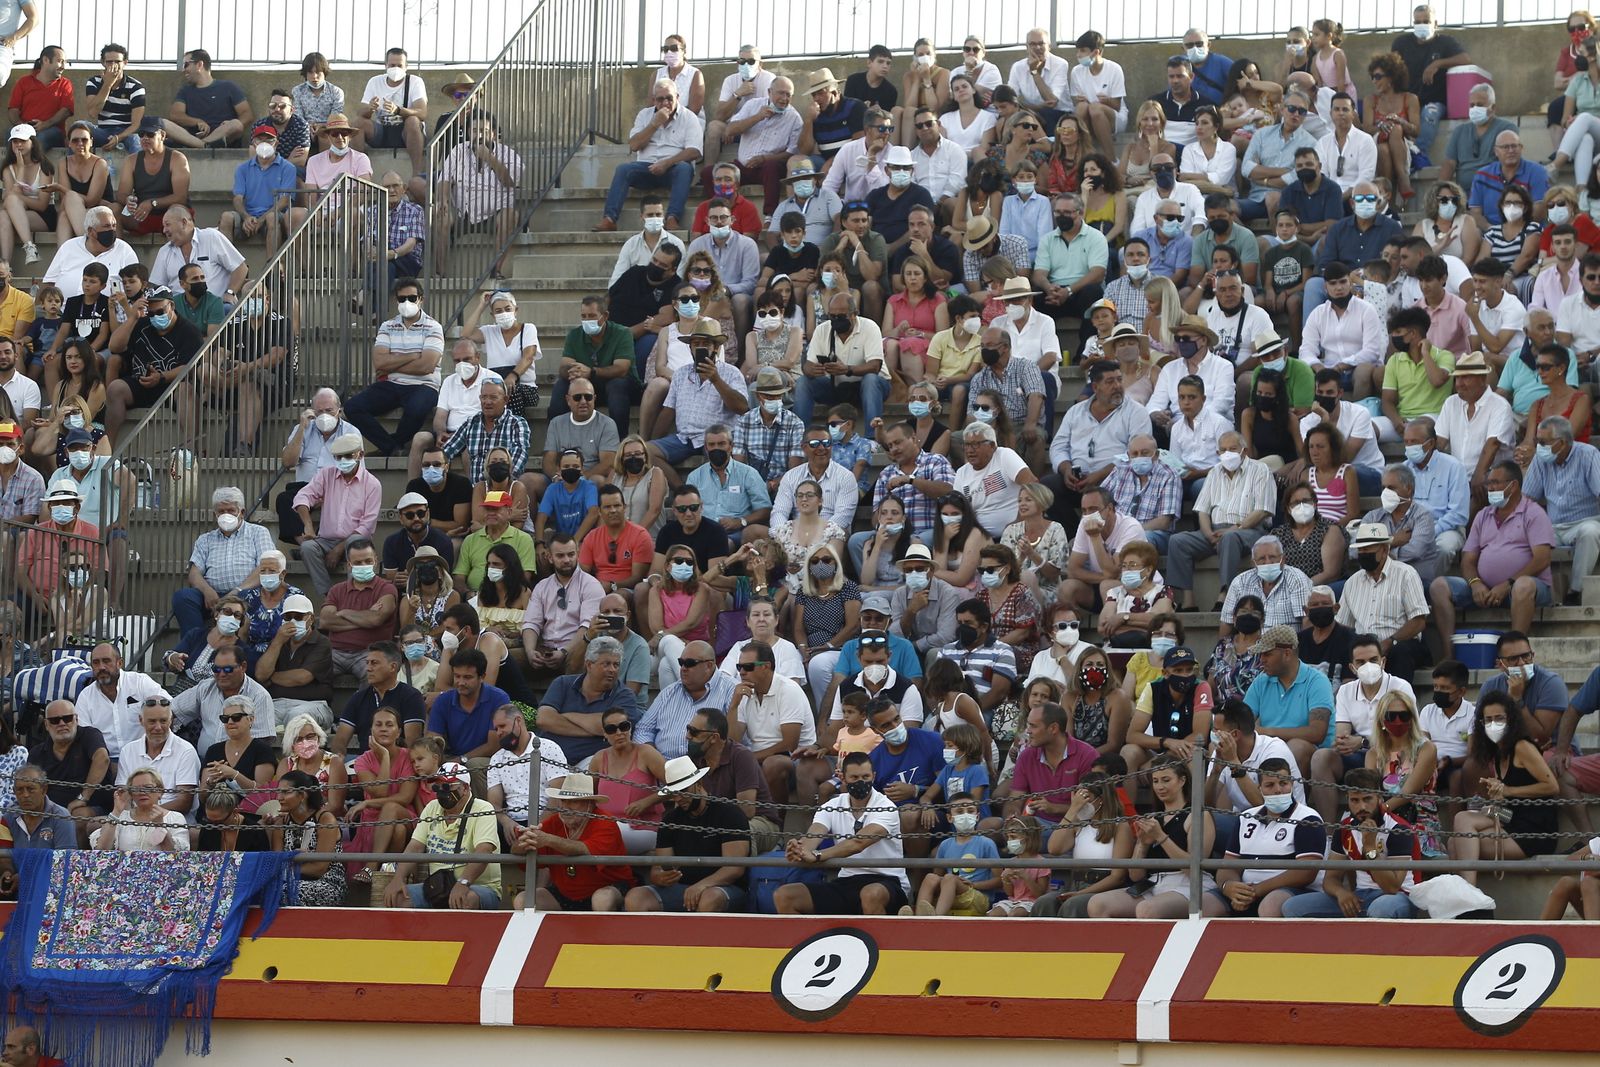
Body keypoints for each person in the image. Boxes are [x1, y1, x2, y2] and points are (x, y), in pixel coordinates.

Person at [1430, 460, 1555, 650]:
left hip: (1525, 589)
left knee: (1523, 586)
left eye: (1496, 482)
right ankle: (1449, 654)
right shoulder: (1483, 515)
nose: (1490, 488)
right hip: (1485, 590)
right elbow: (1468, 559)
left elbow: (1542, 558)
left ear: (1513, 485)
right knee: (1439, 586)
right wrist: (1475, 583)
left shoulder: (1533, 513)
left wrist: (1508, 584)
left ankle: (1515, 651)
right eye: (1489, 483)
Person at [776, 752, 909, 916]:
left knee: (870, 894)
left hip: (887, 881)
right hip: (847, 880)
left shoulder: (886, 806)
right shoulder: (832, 805)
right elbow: (815, 833)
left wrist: (817, 855)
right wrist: (799, 849)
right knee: (784, 896)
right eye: (854, 777)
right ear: (843, 778)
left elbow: (858, 843)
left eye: (866, 776)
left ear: (874, 777)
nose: (861, 782)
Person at [1448, 692, 1561, 884]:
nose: (1493, 724)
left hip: (1534, 829)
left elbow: (1552, 786)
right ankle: (1468, 894)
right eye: (1488, 719)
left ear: (1511, 720)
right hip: (1511, 818)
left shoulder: (1522, 747)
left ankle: (1468, 891)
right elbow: (1508, 799)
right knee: (1454, 838)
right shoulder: (1499, 753)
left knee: (1460, 834)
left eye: (1499, 718)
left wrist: (1508, 791)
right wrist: (1496, 795)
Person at [1281, 765, 1419, 918]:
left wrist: (1370, 848)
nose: (1362, 807)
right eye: (1355, 800)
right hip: (1362, 895)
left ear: (1379, 797)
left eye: (1367, 799)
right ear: (1347, 799)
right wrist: (1341, 893)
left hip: (1398, 897)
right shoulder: (1344, 828)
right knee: (1293, 907)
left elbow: (1392, 887)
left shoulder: (1398, 829)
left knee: (1380, 910)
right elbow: (1331, 879)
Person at [344, 279, 443, 458]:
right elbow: (380, 363)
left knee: (416, 409)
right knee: (352, 407)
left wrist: (394, 364)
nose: (407, 302)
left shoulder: (433, 327)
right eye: (402, 298)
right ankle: (392, 447)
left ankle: (390, 446)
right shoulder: (387, 326)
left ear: (421, 299)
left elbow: (427, 366)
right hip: (392, 384)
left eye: (412, 298)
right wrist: (413, 356)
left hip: (424, 385)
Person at [385, 760, 502, 910]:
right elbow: (414, 847)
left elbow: (484, 851)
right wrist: (398, 878)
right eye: (437, 786)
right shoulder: (432, 807)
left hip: (479, 886)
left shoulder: (483, 808)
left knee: (464, 899)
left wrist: (463, 883)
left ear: (465, 788)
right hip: (439, 886)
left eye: (447, 786)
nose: (441, 791)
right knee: (398, 897)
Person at [597, 80, 701, 234]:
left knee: (685, 169)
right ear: (654, 100)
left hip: (673, 169)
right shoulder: (644, 115)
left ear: (677, 97)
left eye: (669, 98)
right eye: (660, 99)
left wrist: (667, 163)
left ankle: (672, 218)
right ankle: (610, 219)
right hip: (646, 168)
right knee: (623, 169)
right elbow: (634, 145)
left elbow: (695, 151)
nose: (665, 102)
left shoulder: (689, 117)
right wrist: (654, 124)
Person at [92, 768, 190, 852]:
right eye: (136, 789)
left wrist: (160, 826)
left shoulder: (175, 818)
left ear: (160, 792)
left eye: (148, 787)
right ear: (131, 794)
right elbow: (102, 851)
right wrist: (116, 811)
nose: (142, 792)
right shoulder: (121, 817)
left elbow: (177, 857)